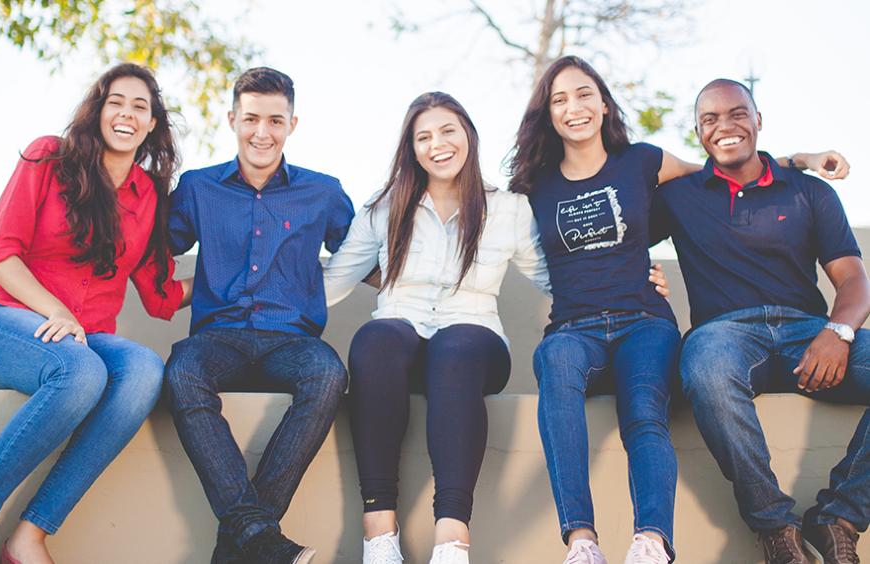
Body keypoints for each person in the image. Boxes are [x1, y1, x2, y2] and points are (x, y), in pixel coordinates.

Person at [507, 55, 848, 564]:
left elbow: (725, 167)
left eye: (583, 94)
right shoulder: (534, 185)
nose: (573, 107)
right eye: (559, 99)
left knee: (645, 411)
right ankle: (582, 543)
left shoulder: (644, 161)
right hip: (575, 328)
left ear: (603, 104)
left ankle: (653, 542)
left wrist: (798, 159)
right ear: (548, 113)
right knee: (555, 367)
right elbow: (510, 247)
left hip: (644, 321)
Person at [322, 91, 668, 564]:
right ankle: (380, 536)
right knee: (375, 339)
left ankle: (452, 540)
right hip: (399, 336)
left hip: (474, 339)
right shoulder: (383, 210)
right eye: (423, 137)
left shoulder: (507, 209)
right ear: (411, 149)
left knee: (456, 347)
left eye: (448, 131)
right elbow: (331, 284)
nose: (437, 144)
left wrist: (630, 276)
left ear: (468, 136)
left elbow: (560, 277)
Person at [651, 78, 869, 564]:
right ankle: (775, 528)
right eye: (710, 119)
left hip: (808, 334)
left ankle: (840, 517)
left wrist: (838, 331)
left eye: (736, 114)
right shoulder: (679, 196)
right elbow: (614, 222)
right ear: (698, 133)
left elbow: (854, 279)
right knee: (704, 370)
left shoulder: (808, 192)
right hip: (723, 336)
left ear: (758, 121)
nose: (724, 126)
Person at [0, 63, 190, 564]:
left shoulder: (148, 196)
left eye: (140, 106)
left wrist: (241, 276)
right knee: (79, 372)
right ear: (98, 110)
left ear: (152, 124)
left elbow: (160, 293)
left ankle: (29, 535)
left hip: (86, 336)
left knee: (143, 370)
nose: (126, 113)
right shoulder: (47, 157)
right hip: (12, 319)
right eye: (115, 101)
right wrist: (54, 309)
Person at [163, 67, 354, 564]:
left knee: (329, 373)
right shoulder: (199, 187)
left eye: (275, 120)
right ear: (232, 119)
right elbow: (152, 248)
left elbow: (366, 255)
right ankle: (260, 537)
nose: (262, 132)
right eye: (251, 119)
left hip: (290, 340)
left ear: (293, 123)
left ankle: (243, 540)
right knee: (182, 371)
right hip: (217, 337)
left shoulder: (323, 192)